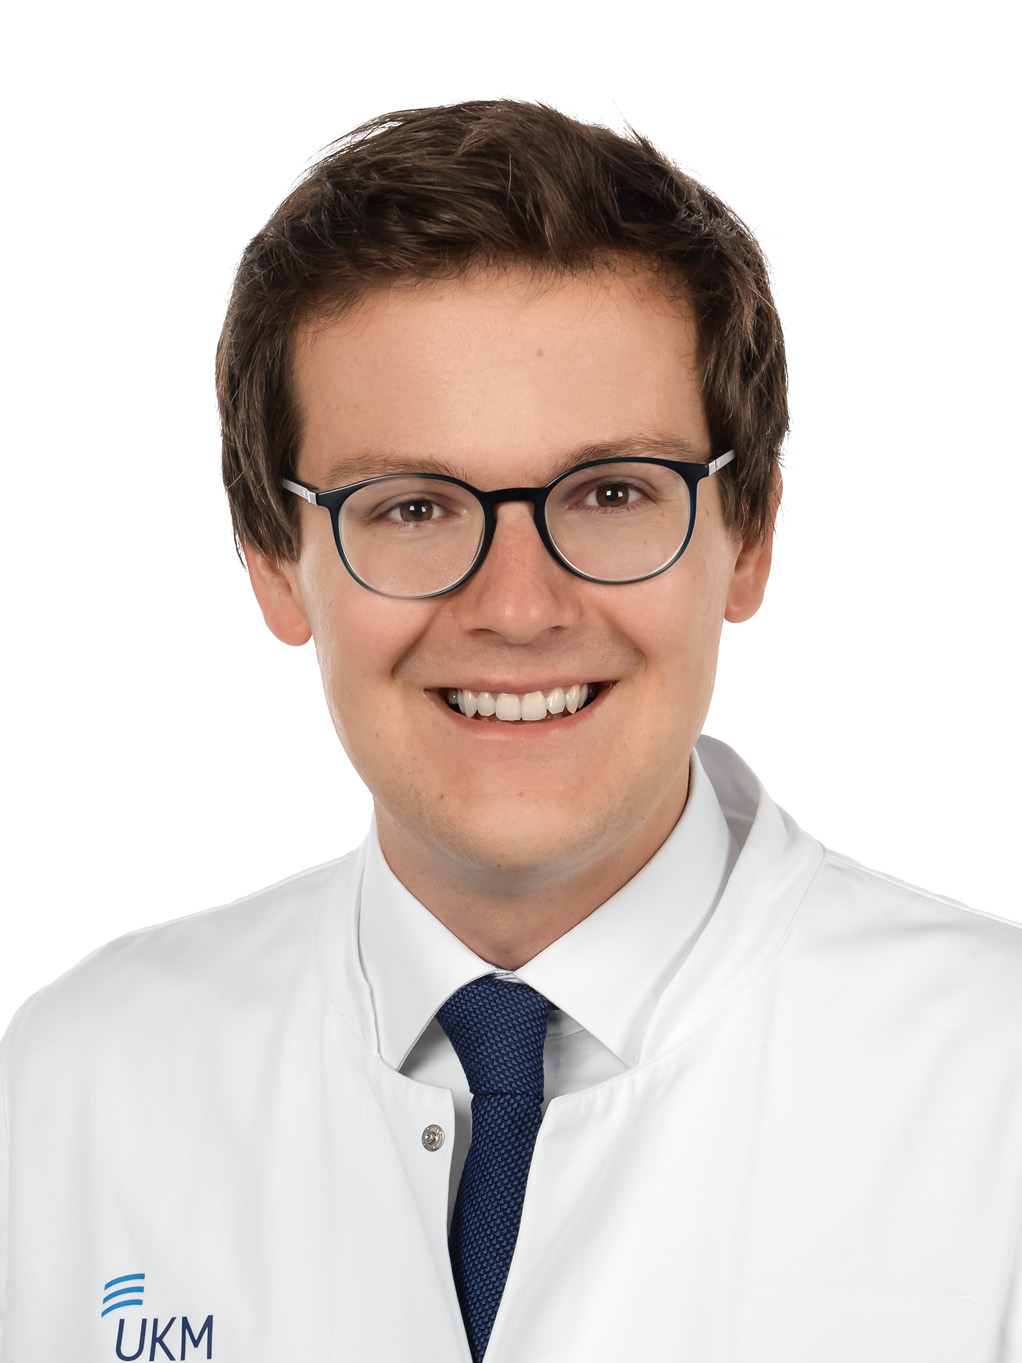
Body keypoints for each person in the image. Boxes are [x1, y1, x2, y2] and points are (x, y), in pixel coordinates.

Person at [1, 100, 1020, 1363]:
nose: (519, 608)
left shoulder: (994, 1087)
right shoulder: (77, 1087)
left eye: (609, 492)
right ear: (272, 559)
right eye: (413, 507)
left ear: (749, 532)